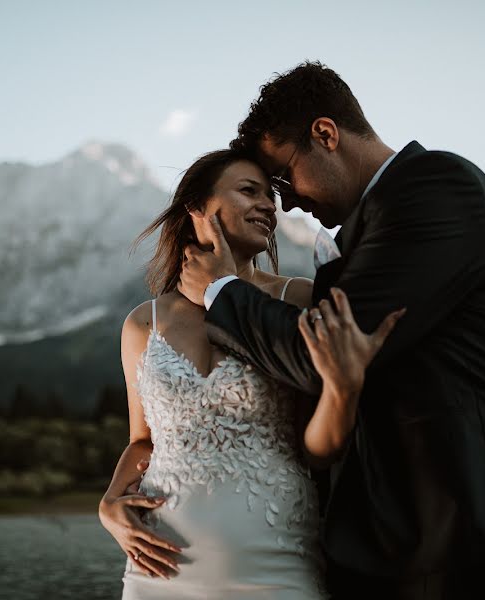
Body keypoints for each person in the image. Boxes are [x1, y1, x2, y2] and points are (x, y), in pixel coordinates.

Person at [177, 61, 485, 599]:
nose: (288, 203)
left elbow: (318, 357)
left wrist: (221, 290)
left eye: (283, 179)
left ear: (325, 134)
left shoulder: (438, 187)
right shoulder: (367, 227)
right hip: (391, 555)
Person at [98, 148, 403, 599]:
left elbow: (318, 450)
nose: (269, 205)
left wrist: (343, 389)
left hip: (275, 563)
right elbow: (143, 441)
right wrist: (108, 505)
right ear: (197, 208)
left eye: (271, 197)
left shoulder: (297, 299)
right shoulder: (145, 323)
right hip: (157, 568)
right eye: (249, 191)